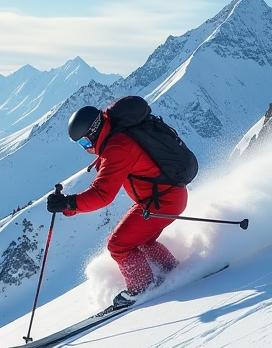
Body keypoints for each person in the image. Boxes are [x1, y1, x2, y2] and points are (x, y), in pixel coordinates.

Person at [46, 97, 188, 311]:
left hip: (163, 201)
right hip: (165, 197)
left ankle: (142, 289)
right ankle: (171, 271)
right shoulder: (114, 136)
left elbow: (103, 194)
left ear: (93, 132)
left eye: (84, 142)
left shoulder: (117, 147)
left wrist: (68, 204)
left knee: (118, 245)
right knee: (141, 241)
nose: (85, 148)